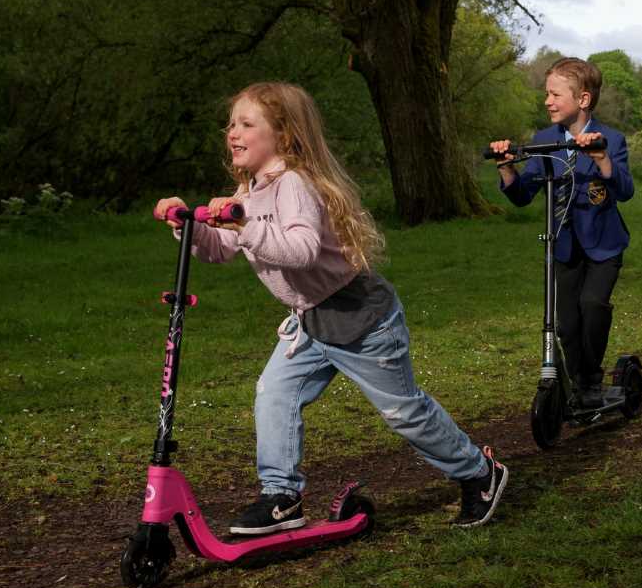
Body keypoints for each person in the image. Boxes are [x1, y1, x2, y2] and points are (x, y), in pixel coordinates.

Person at [154, 82, 509, 533]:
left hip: (360, 319)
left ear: (282, 137)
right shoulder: (250, 188)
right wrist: (187, 223)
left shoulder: (294, 184)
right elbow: (221, 248)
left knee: (405, 413)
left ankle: (480, 474)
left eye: (247, 124)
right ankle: (281, 494)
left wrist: (242, 224)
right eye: (231, 124)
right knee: (275, 394)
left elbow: (300, 250)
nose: (233, 133)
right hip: (310, 321)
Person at [489, 57, 634, 405]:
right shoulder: (543, 140)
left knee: (593, 304)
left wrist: (601, 160)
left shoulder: (610, 139)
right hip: (563, 247)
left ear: (582, 99)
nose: (547, 101)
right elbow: (523, 195)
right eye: (547, 94)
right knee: (566, 323)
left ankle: (590, 379)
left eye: (555, 95)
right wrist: (507, 169)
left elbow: (626, 191)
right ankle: (582, 384)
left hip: (604, 246)